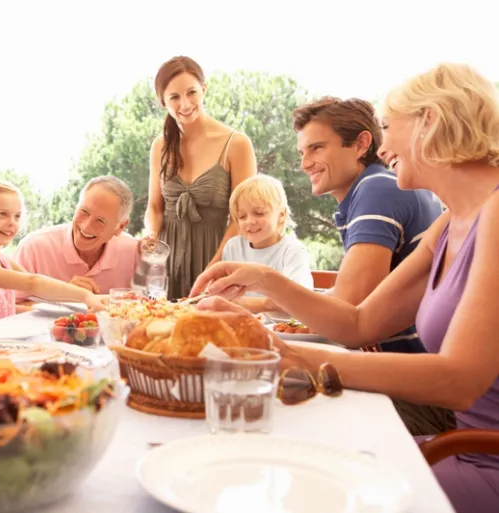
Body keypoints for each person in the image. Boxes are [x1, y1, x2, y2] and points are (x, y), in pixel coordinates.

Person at [191, 62, 499, 513]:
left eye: (390, 126)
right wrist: (258, 277)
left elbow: (458, 381)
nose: (385, 142)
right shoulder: (452, 221)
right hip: (458, 440)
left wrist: (289, 353)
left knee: (304, 481)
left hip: (479, 456)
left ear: (430, 121)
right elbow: (360, 323)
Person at [287, 96, 443, 353]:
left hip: (411, 370)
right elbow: (344, 297)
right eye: (302, 153)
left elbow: (347, 311)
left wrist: (263, 281)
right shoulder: (374, 188)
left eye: (317, 148)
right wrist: (258, 303)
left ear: (361, 144)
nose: (305, 164)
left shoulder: (377, 189)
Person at [144, 55, 257, 300]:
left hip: (218, 257)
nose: (185, 104)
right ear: (163, 102)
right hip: (166, 265)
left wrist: (213, 269)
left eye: (191, 92)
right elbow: (154, 207)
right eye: (174, 97)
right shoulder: (159, 147)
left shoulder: (236, 144)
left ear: (204, 89)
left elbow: (241, 218)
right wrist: (150, 234)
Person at [0, 179, 106, 323]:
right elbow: (32, 283)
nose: (12, 223)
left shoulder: (2, 260)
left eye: (17, 216)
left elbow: (39, 292)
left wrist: (101, 299)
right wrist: (85, 296)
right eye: (2, 214)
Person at [13, 176, 139, 297]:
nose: (86, 226)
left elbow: (151, 303)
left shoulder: (134, 252)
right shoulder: (33, 249)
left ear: (120, 227)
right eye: (84, 212)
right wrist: (63, 295)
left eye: (100, 220)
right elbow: (10, 308)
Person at [221, 174, 312, 312]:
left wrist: (238, 303)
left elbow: (300, 300)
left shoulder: (292, 251)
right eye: (242, 216)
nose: (250, 221)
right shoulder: (233, 246)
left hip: (280, 329)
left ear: (281, 215)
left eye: (259, 213)